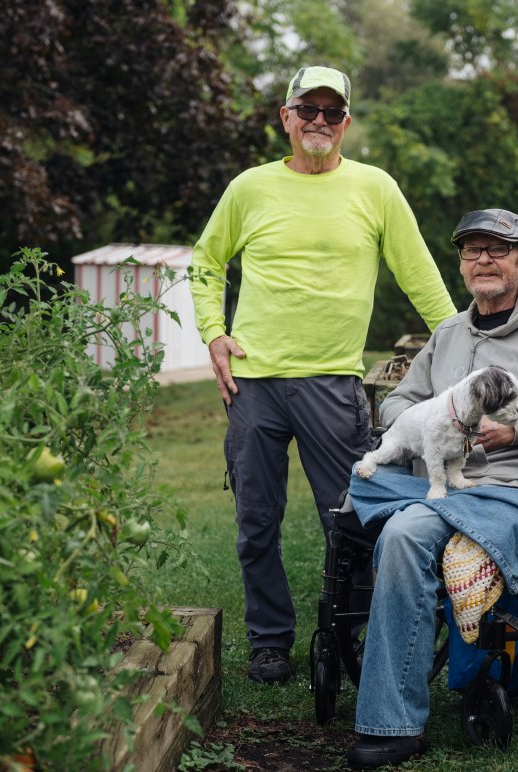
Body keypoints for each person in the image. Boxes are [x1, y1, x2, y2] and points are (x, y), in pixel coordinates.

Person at [189, 66, 457, 685]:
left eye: (332, 112)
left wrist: (460, 344)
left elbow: (420, 275)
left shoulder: (376, 188)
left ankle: (346, 637)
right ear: (285, 116)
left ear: (346, 123)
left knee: (351, 519)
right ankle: (270, 641)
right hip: (253, 384)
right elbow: (206, 261)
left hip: (333, 385)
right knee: (257, 520)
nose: (319, 121)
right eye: (307, 109)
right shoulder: (249, 188)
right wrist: (214, 333)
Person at [343, 208, 518, 768]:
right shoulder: (449, 333)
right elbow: (398, 403)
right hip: (440, 486)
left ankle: (393, 725)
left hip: (513, 488)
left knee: (403, 534)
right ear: (463, 264)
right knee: (360, 484)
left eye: (497, 249)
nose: (484, 260)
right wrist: (429, 417)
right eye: (473, 250)